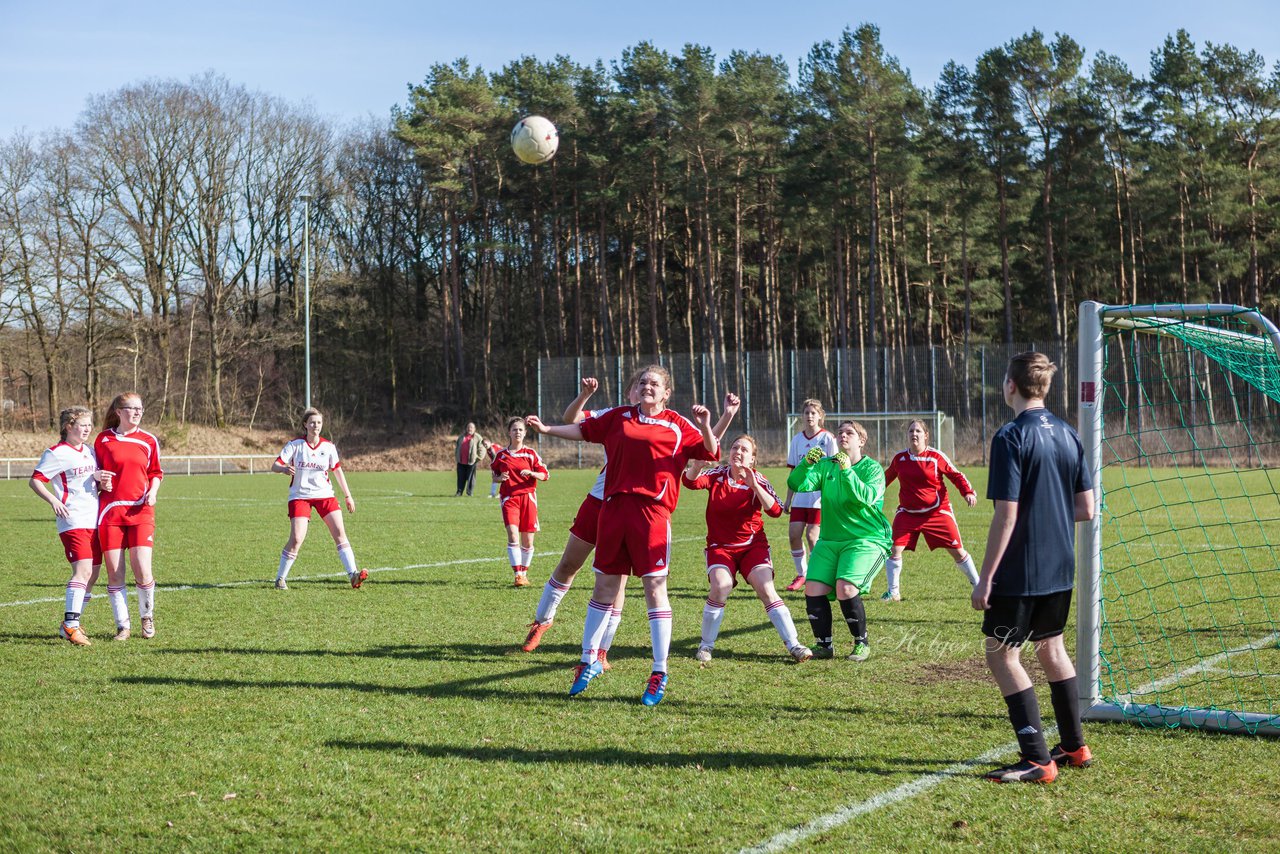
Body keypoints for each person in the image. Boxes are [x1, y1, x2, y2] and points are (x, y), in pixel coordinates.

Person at [526, 364, 720, 706]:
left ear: (666, 392)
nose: (647, 387)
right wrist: (546, 429)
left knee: (654, 590)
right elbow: (582, 429)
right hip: (613, 510)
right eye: (643, 382)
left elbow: (710, 451)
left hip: (652, 515)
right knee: (604, 585)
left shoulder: (677, 426)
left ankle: (659, 671)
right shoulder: (618, 416)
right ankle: (588, 661)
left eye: (655, 383)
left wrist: (705, 424)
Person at [972, 352, 1095, 784]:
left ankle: (1036, 758)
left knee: (1001, 653)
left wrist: (985, 578)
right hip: (1061, 565)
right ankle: (1075, 746)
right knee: (1052, 648)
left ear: (1011, 385)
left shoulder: (1010, 436)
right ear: (1043, 387)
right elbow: (1087, 508)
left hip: (1022, 568)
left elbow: (1006, 515)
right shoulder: (1069, 433)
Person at [683, 435, 812, 663]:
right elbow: (690, 482)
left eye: (744, 450)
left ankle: (794, 645)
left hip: (753, 546)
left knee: (766, 588)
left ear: (752, 459)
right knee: (720, 586)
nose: (738, 452)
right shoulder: (718, 475)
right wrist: (696, 466)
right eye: (735, 447)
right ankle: (706, 645)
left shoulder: (758, 479)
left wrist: (754, 486)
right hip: (721, 548)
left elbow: (776, 510)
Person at [787, 420, 891, 661]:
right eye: (840, 432)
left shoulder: (873, 469)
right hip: (830, 539)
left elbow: (865, 498)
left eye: (849, 433)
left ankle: (861, 643)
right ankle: (824, 646)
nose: (843, 435)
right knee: (813, 588)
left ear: (861, 441)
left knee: (845, 587)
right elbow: (797, 484)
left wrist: (847, 471)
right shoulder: (826, 465)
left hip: (866, 539)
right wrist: (806, 464)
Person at [881, 419, 979, 601]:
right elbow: (885, 479)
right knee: (894, 548)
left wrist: (967, 492)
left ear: (926, 435)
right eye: (911, 431)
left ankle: (978, 585)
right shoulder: (900, 459)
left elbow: (956, 475)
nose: (914, 434)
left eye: (918, 431)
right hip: (907, 513)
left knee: (957, 551)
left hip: (937, 512)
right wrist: (871, 494)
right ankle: (893, 591)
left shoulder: (936, 457)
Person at [29, 406, 103, 646]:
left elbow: (89, 483)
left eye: (90, 425)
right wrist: (53, 500)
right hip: (73, 520)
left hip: (94, 518)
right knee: (82, 571)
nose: (87, 429)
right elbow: (36, 480)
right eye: (82, 425)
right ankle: (70, 626)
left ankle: (72, 623)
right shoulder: (56, 453)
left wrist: (101, 482)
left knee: (92, 574)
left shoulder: (90, 452)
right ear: (68, 426)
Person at [272, 407, 367, 590]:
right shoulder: (295, 445)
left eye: (319, 423)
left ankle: (353, 575)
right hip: (300, 497)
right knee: (297, 538)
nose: (316, 425)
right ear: (305, 425)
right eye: (312, 422)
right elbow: (275, 465)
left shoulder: (328, 447)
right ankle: (280, 578)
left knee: (340, 533)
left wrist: (348, 496)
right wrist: (283, 469)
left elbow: (337, 470)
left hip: (325, 496)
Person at [94, 392, 163, 640]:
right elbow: (94, 473)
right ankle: (123, 626)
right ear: (118, 412)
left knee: (143, 569)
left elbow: (156, 472)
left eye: (140, 408)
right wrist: (99, 480)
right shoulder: (102, 440)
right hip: (110, 513)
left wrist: (153, 492)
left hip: (141, 511)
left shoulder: (148, 440)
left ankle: (147, 617)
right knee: (115, 572)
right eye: (132, 408)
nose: (137, 412)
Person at [782, 399, 838, 592]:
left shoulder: (828, 439)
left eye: (813, 413)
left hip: (819, 499)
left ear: (820, 416)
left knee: (813, 537)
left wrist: (831, 496)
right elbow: (794, 472)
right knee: (793, 535)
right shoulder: (797, 440)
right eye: (806, 412)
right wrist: (788, 498)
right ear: (802, 416)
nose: (810, 416)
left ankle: (818, 575)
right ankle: (802, 574)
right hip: (800, 498)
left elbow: (835, 469)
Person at [490, 416, 549, 587]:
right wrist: (500, 478)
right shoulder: (501, 455)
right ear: (509, 432)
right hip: (510, 498)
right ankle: (518, 575)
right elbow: (494, 476)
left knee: (528, 541)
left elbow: (545, 475)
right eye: (514, 429)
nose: (517, 432)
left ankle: (524, 572)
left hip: (528, 498)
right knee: (513, 535)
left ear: (525, 433)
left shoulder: (530, 454)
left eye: (521, 430)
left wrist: (532, 474)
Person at [454, 422, 489, 497]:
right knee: (460, 478)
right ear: (466, 428)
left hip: (472, 462)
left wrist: (478, 458)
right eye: (468, 427)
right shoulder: (461, 437)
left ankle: (469, 493)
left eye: (471, 427)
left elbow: (482, 449)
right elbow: (457, 447)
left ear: (474, 429)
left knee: (471, 478)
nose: (469, 429)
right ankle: (459, 492)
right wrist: (457, 456)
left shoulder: (478, 437)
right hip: (461, 462)